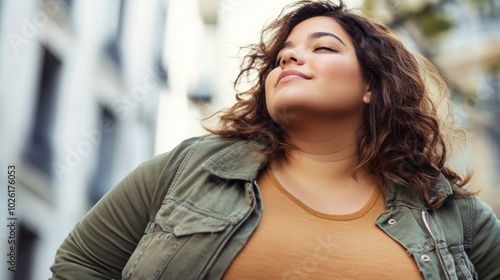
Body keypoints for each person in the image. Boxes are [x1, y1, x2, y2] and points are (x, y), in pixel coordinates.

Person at [50, 0, 500, 279]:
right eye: (285, 52)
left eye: (322, 47)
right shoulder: (190, 170)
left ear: (372, 87)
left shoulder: (452, 214)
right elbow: (79, 268)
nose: (289, 55)